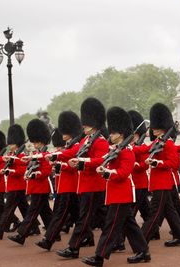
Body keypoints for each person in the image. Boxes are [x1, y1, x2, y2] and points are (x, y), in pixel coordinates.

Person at [82, 107, 151, 266]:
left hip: (122, 193)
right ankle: (143, 251)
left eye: (112, 133)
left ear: (120, 134)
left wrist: (107, 173)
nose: (110, 135)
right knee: (129, 224)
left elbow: (123, 173)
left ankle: (99, 257)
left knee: (110, 226)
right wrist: (87, 163)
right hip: (115, 193)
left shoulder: (127, 152)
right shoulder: (114, 150)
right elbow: (101, 160)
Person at [54, 98, 109, 259]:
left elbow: (101, 160)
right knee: (112, 218)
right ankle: (120, 240)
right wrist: (55, 155)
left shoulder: (100, 141)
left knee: (84, 219)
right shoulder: (85, 140)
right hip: (86, 185)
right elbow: (72, 152)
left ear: (93, 124)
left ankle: (73, 248)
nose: (83, 126)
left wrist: (82, 162)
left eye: (85, 124)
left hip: (94, 185)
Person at [135, 103, 180, 247]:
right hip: (158, 182)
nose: (154, 129)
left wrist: (158, 163)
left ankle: (141, 242)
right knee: (170, 211)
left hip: (163, 183)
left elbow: (175, 163)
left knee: (154, 214)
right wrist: (129, 148)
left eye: (156, 127)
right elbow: (144, 149)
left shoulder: (168, 143)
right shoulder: (158, 141)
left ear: (163, 127)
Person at [36, 111, 82, 251]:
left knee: (60, 213)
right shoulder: (69, 145)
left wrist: (58, 161)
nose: (62, 133)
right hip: (64, 185)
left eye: (65, 131)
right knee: (78, 215)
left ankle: (48, 240)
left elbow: (75, 163)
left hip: (70, 184)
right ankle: (88, 236)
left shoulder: (76, 145)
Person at [8, 119, 53, 245]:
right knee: (46, 213)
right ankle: (53, 234)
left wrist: (35, 174)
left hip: (41, 187)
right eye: (34, 142)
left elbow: (47, 170)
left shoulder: (46, 154)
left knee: (32, 212)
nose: (35, 144)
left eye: (37, 142)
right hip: (35, 187)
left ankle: (21, 235)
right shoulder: (35, 154)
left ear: (42, 140)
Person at [0, 124, 32, 240]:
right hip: (13, 186)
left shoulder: (22, 155)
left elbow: (22, 170)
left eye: (12, 144)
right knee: (24, 208)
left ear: (17, 144)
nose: (10, 146)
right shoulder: (12, 155)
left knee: (8, 209)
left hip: (18, 186)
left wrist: (9, 171)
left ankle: (0, 231)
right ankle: (34, 227)